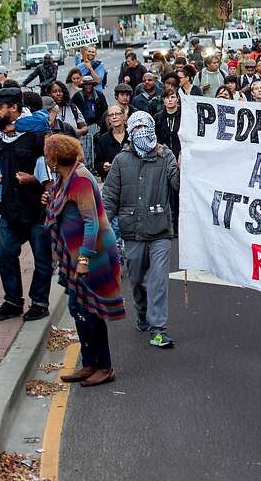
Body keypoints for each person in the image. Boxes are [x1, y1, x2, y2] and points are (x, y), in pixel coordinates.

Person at [44, 135, 124, 388]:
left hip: (94, 254)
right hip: (76, 254)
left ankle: (105, 367)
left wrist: (84, 259)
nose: (46, 159)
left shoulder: (79, 179)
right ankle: (89, 362)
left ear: (56, 158)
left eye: (48, 154)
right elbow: (62, 207)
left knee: (91, 311)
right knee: (77, 308)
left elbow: (91, 222)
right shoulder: (64, 179)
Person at [103, 112, 179, 348]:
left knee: (158, 280)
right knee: (136, 280)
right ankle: (142, 311)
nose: (142, 132)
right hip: (132, 231)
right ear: (130, 131)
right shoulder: (121, 161)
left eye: (146, 127)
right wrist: (103, 231)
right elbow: (109, 198)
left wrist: (186, 162)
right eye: (137, 128)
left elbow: (178, 184)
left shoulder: (165, 156)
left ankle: (158, 328)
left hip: (160, 231)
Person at [0, 88, 53, 322]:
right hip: (10, 208)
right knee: (6, 254)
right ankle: (13, 301)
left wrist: (34, 180)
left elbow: (52, 167)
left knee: (42, 258)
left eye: (0, 107)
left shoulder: (37, 133)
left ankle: (39, 302)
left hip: (37, 207)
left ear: (14, 108)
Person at [94, 105, 129, 181]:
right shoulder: (103, 139)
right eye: (111, 115)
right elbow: (97, 164)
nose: (114, 117)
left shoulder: (132, 135)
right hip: (112, 180)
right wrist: (103, 166)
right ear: (109, 119)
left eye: (117, 114)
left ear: (124, 116)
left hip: (131, 179)